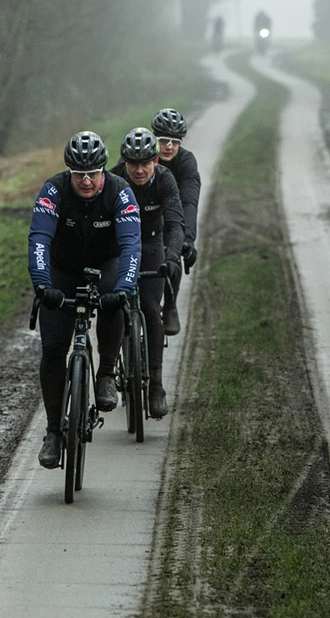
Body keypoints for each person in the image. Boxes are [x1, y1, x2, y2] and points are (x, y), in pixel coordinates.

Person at [28, 131, 141, 469]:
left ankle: (105, 372)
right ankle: (53, 432)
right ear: (70, 173)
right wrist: (43, 284)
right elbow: (38, 239)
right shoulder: (54, 190)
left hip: (105, 264)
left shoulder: (121, 192)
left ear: (104, 171)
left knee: (113, 299)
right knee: (53, 348)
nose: (87, 181)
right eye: (80, 175)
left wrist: (123, 287)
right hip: (63, 270)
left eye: (93, 174)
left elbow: (131, 246)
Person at [110, 126, 185, 419]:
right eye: (133, 164)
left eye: (145, 163)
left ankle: (156, 386)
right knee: (116, 306)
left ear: (156, 161)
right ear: (124, 163)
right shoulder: (113, 179)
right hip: (119, 245)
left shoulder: (166, 180)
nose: (139, 170)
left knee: (152, 309)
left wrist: (172, 257)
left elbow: (176, 224)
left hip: (152, 241)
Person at [151, 108, 201, 334]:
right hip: (141, 214)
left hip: (172, 214)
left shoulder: (186, 162)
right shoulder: (135, 155)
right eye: (163, 140)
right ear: (154, 139)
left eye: (174, 141)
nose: (168, 146)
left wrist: (188, 239)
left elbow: (189, 202)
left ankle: (170, 304)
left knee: (175, 240)